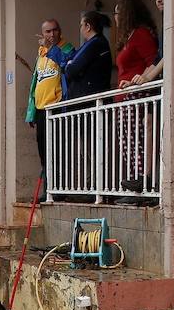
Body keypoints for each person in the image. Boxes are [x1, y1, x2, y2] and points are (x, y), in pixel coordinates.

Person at [111, 0, 160, 189]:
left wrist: (138, 81)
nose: (115, 17)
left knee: (135, 137)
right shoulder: (128, 37)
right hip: (123, 97)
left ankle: (143, 178)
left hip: (137, 95)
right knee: (126, 141)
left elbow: (152, 62)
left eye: (117, 13)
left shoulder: (141, 34)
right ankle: (134, 180)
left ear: (126, 14)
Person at [25, 19, 73, 187]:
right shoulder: (41, 52)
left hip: (57, 106)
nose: (52, 35)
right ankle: (48, 187)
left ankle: (58, 187)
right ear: (42, 33)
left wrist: (51, 49)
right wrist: (31, 112)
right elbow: (35, 83)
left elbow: (66, 64)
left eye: (55, 30)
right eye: (48, 32)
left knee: (57, 149)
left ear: (60, 31)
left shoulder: (67, 49)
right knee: (43, 150)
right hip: (40, 108)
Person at [62, 10, 112, 100]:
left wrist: (69, 64)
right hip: (91, 98)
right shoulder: (97, 42)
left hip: (88, 101)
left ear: (88, 26)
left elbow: (71, 70)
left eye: (81, 25)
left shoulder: (95, 44)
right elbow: (70, 60)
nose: (80, 28)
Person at [124, 0, 165, 88]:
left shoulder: (142, 33)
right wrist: (136, 81)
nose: (158, 0)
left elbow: (168, 55)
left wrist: (148, 78)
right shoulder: (164, 22)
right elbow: (157, 59)